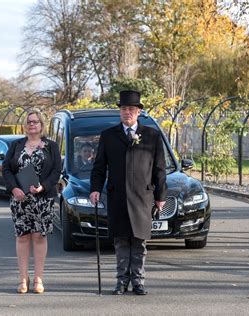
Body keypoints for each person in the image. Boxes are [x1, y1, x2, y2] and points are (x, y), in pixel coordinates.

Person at [89, 90, 167, 296]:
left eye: (131, 109)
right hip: (118, 196)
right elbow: (99, 167)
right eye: (123, 109)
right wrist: (95, 189)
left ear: (139, 112)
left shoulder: (152, 135)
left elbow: (159, 168)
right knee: (121, 240)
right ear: (120, 112)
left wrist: (161, 196)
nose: (127, 112)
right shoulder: (108, 135)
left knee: (139, 241)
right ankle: (121, 281)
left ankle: (138, 282)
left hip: (143, 197)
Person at [2, 111, 61, 294]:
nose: (32, 124)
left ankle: (38, 279)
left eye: (35, 122)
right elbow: (6, 169)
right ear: (25, 125)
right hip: (20, 200)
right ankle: (22, 279)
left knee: (39, 236)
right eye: (29, 122)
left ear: (41, 125)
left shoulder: (51, 146)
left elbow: (56, 171)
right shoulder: (16, 145)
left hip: (42, 199)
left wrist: (43, 186)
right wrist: (14, 188)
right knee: (22, 237)